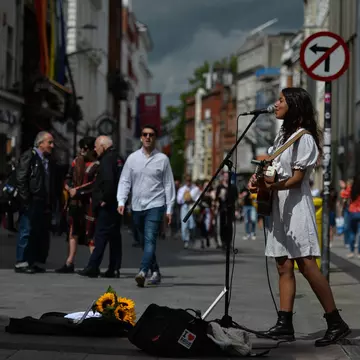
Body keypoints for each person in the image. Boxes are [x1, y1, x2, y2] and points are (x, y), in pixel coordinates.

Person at [249, 87, 350, 347]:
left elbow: (296, 179)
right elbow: (273, 169)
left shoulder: (303, 138)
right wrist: (259, 179)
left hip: (295, 207)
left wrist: (271, 186)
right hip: (279, 208)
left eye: (281, 100)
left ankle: (335, 321)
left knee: (306, 264)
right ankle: (285, 323)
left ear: (293, 105)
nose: (276, 104)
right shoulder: (283, 136)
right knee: (283, 264)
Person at [117, 124, 175, 287]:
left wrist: (169, 209)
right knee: (143, 241)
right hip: (136, 206)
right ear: (141, 138)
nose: (148, 137)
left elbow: (169, 184)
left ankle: (143, 271)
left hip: (155, 205)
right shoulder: (132, 158)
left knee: (150, 239)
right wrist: (121, 200)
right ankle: (155, 271)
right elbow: (125, 180)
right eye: (145, 134)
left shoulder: (162, 159)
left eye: (151, 134)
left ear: (155, 138)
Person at [78, 136, 122, 278]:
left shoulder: (107, 159)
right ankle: (114, 268)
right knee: (115, 237)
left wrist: (104, 199)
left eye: (96, 146)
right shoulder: (117, 157)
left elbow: (109, 181)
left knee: (101, 235)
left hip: (108, 205)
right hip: (116, 204)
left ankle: (93, 266)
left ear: (103, 146)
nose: (95, 149)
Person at [56, 137, 99, 273]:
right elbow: (68, 177)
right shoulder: (76, 161)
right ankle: (69, 262)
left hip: (89, 203)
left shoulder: (97, 164)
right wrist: (68, 188)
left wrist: (78, 191)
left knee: (90, 233)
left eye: (85, 148)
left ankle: (94, 264)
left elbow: (95, 184)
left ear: (92, 149)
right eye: (81, 147)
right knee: (73, 231)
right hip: (74, 202)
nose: (82, 150)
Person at [15, 131, 55, 274]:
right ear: (40, 143)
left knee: (37, 232)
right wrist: (25, 199)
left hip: (42, 201)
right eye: (49, 142)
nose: (52, 145)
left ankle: (32, 261)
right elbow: (21, 178)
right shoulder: (29, 156)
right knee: (26, 230)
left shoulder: (46, 159)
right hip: (31, 200)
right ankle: (21, 261)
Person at [345, 173, 360, 258]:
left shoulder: (351, 188)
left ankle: (351, 251)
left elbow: (343, 194)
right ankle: (359, 253)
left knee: (352, 233)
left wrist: (345, 187)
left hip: (352, 212)